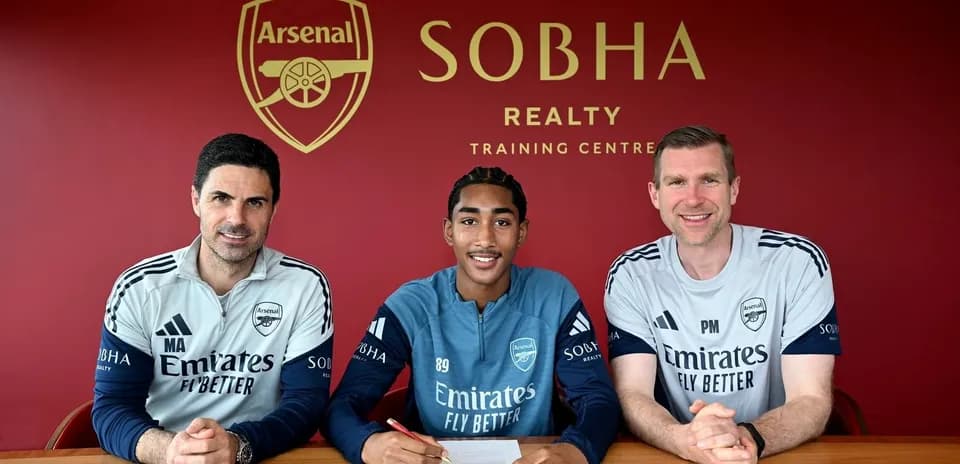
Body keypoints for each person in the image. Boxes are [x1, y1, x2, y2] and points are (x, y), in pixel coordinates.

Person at [325, 166, 620, 464]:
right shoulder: (411, 305)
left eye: (502, 222)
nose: (485, 238)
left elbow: (598, 400)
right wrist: (368, 443)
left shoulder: (555, 296)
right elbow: (342, 406)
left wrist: (575, 449)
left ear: (522, 232)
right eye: (469, 221)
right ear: (449, 231)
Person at [93, 133, 334, 464]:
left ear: (274, 210)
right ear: (195, 199)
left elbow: (307, 403)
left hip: (258, 454)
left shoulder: (305, 286)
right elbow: (111, 407)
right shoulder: (140, 287)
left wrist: (239, 446)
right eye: (221, 198)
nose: (236, 218)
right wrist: (170, 450)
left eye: (255, 202)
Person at [604, 126, 841, 463]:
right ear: (655, 194)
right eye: (676, 182)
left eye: (710, 180)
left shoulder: (797, 261)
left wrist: (747, 437)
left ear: (734, 188)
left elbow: (812, 400)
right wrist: (684, 439)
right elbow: (632, 394)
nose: (693, 198)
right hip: (677, 454)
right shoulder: (631, 274)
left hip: (772, 453)